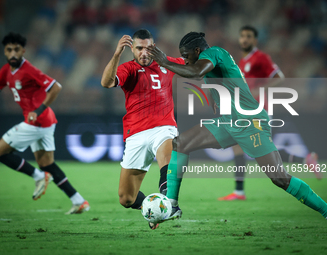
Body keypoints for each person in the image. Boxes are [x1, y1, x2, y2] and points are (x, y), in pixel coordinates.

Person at [147, 31, 327, 221]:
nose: (185, 60)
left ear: (198, 51)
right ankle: (171, 206)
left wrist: (164, 62)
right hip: (228, 122)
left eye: (186, 56)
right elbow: (200, 73)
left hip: (249, 123)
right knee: (180, 143)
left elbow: (195, 72)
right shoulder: (209, 59)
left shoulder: (214, 53)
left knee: (279, 178)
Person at [0, 32, 90, 214]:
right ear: (4, 51)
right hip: (45, 122)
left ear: (23, 51)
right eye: (9, 50)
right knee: (47, 164)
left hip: (38, 121)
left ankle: (38, 176)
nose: (12, 54)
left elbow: (55, 87)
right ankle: (79, 201)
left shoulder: (29, 70)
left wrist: (38, 110)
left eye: (16, 50)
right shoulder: (6, 71)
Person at [218, 25, 321, 201]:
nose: (244, 39)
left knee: (260, 151)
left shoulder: (261, 58)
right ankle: (239, 192)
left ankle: (305, 159)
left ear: (255, 40)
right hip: (247, 110)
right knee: (242, 147)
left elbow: (279, 78)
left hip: (258, 110)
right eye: (242, 36)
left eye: (248, 37)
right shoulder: (243, 61)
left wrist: (260, 90)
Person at [101, 29, 184, 229]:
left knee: (168, 157)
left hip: (163, 128)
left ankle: (171, 205)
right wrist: (116, 54)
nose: (144, 53)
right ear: (132, 49)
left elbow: (195, 64)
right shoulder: (127, 68)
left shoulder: (166, 63)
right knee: (126, 198)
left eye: (148, 48)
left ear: (153, 47)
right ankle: (154, 208)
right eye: (139, 48)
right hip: (136, 134)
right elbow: (106, 82)